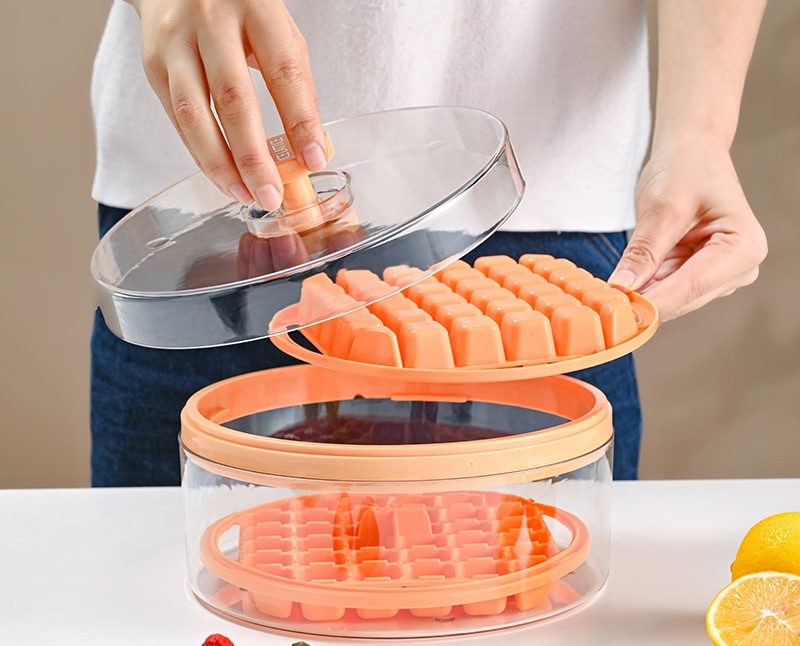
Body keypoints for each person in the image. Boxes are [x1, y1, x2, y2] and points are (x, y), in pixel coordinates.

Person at [90, 0, 767, 486]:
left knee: (551, 624)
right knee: (164, 621)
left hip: (540, 241)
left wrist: (700, 131)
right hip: (211, 221)